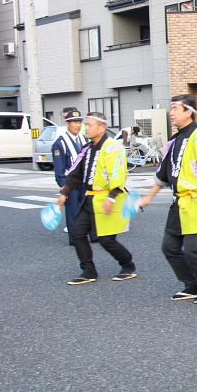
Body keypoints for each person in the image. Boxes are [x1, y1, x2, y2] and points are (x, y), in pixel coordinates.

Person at [139, 95, 197, 305]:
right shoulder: (174, 141)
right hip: (179, 201)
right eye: (171, 108)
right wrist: (148, 198)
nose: (171, 113)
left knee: (194, 250)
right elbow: (163, 175)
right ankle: (190, 285)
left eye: (175, 108)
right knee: (170, 247)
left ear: (189, 111)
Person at [56, 112, 137, 286]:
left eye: (89, 124)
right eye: (86, 124)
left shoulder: (113, 147)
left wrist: (112, 197)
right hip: (89, 198)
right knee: (77, 233)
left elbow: (118, 175)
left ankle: (128, 265)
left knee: (106, 239)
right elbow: (76, 173)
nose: (86, 128)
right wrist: (65, 191)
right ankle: (88, 271)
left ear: (102, 127)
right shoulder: (87, 148)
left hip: (107, 197)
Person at [52, 109, 89, 246]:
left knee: (86, 207)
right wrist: (63, 187)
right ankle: (75, 238)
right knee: (73, 211)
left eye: (79, 121)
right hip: (70, 182)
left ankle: (92, 235)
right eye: (74, 122)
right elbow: (59, 167)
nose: (77, 125)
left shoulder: (83, 139)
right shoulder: (60, 143)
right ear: (67, 123)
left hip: (84, 181)